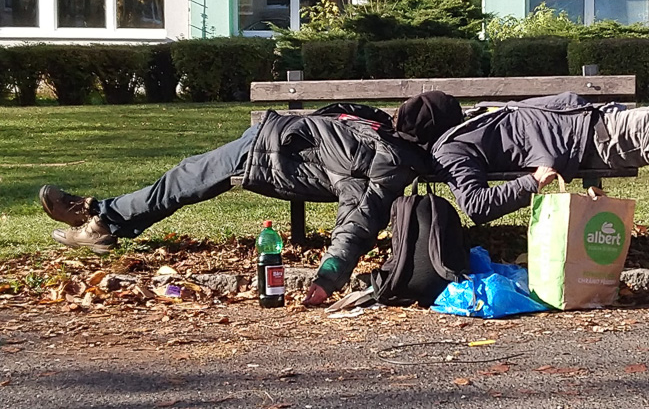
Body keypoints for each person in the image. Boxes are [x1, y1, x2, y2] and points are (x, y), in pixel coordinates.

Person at [38, 91, 464, 305]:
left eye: (408, 111)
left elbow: (359, 215)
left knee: (180, 179)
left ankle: (100, 220)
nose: (399, 112)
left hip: (265, 157)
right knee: (180, 177)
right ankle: (101, 217)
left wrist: (329, 276)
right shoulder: (380, 131)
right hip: (265, 141)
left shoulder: (385, 159)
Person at [431, 91, 649, 276]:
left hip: (596, 119)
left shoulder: (469, 123)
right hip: (594, 138)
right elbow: (475, 205)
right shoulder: (451, 147)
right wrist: (531, 181)